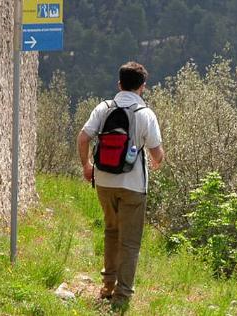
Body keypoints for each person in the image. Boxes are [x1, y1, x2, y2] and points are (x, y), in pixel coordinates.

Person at [76, 62, 165, 310]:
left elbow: (83, 137)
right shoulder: (145, 114)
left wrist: (86, 165)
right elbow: (157, 154)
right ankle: (122, 296)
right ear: (142, 87)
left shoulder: (103, 108)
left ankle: (107, 286)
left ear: (119, 84)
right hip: (133, 186)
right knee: (130, 241)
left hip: (104, 181)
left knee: (111, 231)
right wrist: (159, 160)